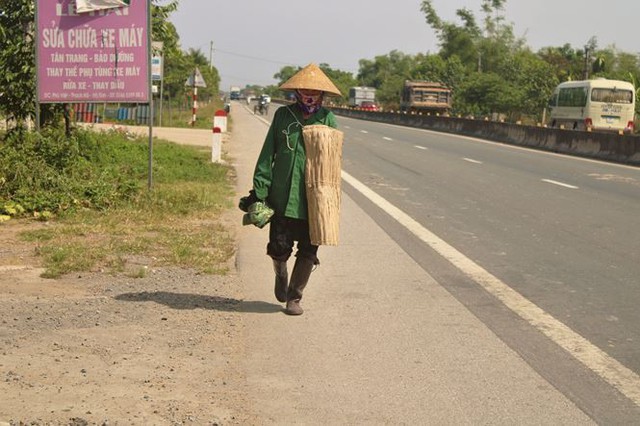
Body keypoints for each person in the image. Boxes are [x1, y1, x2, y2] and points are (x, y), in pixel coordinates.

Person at [245, 63, 341, 315]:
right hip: (282, 195)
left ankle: (295, 297)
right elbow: (268, 153)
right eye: (305, 90)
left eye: (315, 92)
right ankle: (280, 272)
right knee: (279, 248)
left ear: (322, 95)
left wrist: (331, 197)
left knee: (309, 249)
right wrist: (259, 189)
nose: (310, 95)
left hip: (314, 199)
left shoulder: (328, 120)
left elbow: (332, 163)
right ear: (297, 91)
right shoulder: (282, 116)